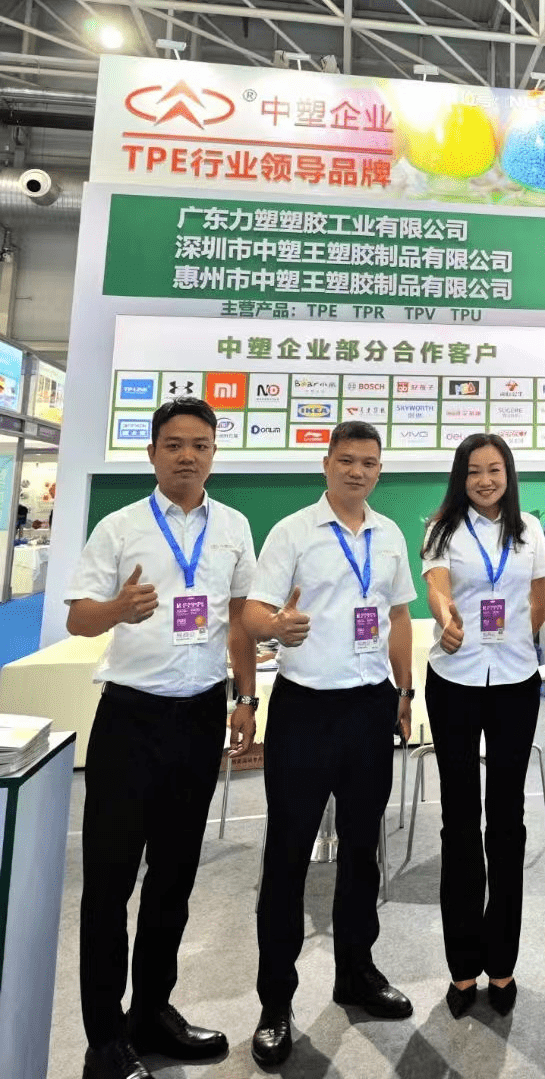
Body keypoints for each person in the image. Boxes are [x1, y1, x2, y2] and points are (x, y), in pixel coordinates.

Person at [66, 397, 257, 1079]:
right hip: (131, 720)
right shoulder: (119, 527)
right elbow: (79, 619)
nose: (187, 456)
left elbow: (239, 618)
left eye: (200, 445)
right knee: (110, 884)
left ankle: (151, 1013)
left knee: (173, 879)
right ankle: (104, 1038)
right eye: (174, 444)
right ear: (152, 453)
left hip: (200, 717)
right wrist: (119, 608)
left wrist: (245, 697)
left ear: (213, 454)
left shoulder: (233, 527)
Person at [242, 421, 416, 1067]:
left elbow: (398, 616)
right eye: (346, 460)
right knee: (288, 857)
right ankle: (275, 1003)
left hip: (371, 708)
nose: (357, 471)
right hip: (305, 709)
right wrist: (277, 626)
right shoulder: (292, 532)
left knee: (363, 851)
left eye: (369, 462)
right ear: (327, 464)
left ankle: (357, 973)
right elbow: (253, 612)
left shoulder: (389, 535)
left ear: (379, 470)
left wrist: (405, 691)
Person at [421, 433, 545, 1018]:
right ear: (461, 477)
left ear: (508, 474)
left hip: (515, 682)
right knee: (458, 822)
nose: (485, 480)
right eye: (474, 471)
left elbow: (539, 594)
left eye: (494, 470)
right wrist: (448, 619)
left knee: (506, 821)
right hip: (455, 679)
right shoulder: (441, 529)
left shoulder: (529, 531)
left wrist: (521, 636)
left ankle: (502, 965)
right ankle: (462, 969)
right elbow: (438, 588)